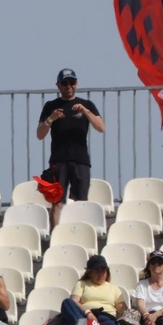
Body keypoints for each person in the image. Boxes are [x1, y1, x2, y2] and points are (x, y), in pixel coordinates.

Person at [36, 68, 104, 219]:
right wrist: (51, 119)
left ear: (76, 83)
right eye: (65, 83)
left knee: (81, 202)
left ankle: (81, 234)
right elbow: (40, 134)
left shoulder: (86, 104)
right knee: (57, 202)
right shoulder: (50, 106)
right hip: (58, 160)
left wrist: (85, 112)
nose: (68, 86)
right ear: (58, 85)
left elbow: (101, 127)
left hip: (80, 160)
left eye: (71, 82)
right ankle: (55, 237)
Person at [58, 255, 124, 325]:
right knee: (67, 302)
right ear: (89, 273)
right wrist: (88, 313)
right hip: (85, 318)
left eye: (103, 270)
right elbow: (74, 302)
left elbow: (123, 309)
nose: (100, 274)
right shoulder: (81, 284)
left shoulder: (114, 288)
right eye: (96, 271)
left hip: (105, 319)